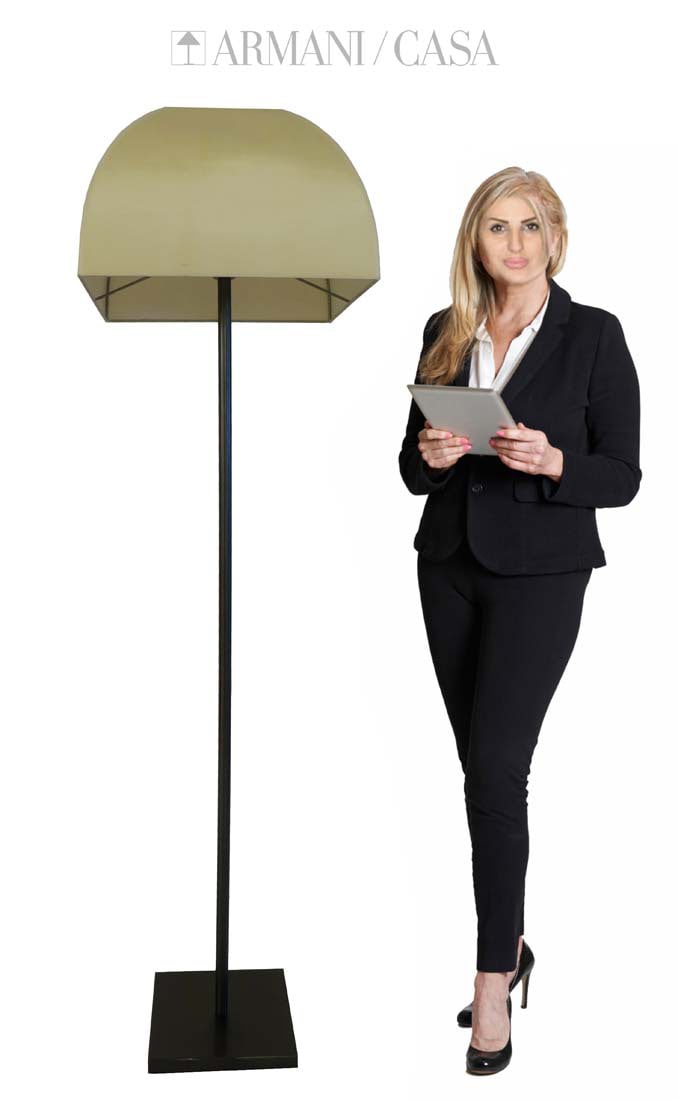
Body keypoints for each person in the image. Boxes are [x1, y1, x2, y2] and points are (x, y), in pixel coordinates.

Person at [398, 167, 642, 1076]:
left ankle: (492, 980)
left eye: (529, 226)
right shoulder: (447, 327)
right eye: (497, 227)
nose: (514, 244)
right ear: (477, 239)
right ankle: (512, 940)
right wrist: (432, 454)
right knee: (481, 774)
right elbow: (411, 470)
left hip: (542, 575)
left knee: (499, 769)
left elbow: (623, 474)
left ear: (555, 238)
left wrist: (552, 461)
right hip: (448, 568)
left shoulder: (594, 334)